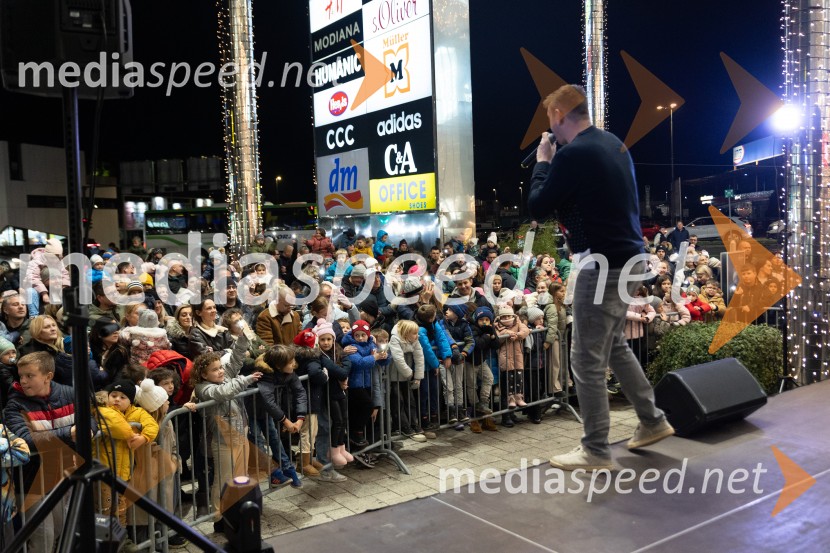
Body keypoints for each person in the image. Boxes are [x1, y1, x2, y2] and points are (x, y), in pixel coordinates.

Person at [528, 84, 674, 470]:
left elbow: (538, 206)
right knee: (613, 346)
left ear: (559, 115)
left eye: (551, 120)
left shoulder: (572, 153)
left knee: (585, 359)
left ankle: (595, 449)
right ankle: (652, 421)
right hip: (630, 259)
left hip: (602, 263)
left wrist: (543, 162)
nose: (551, 129)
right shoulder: (612, 144)